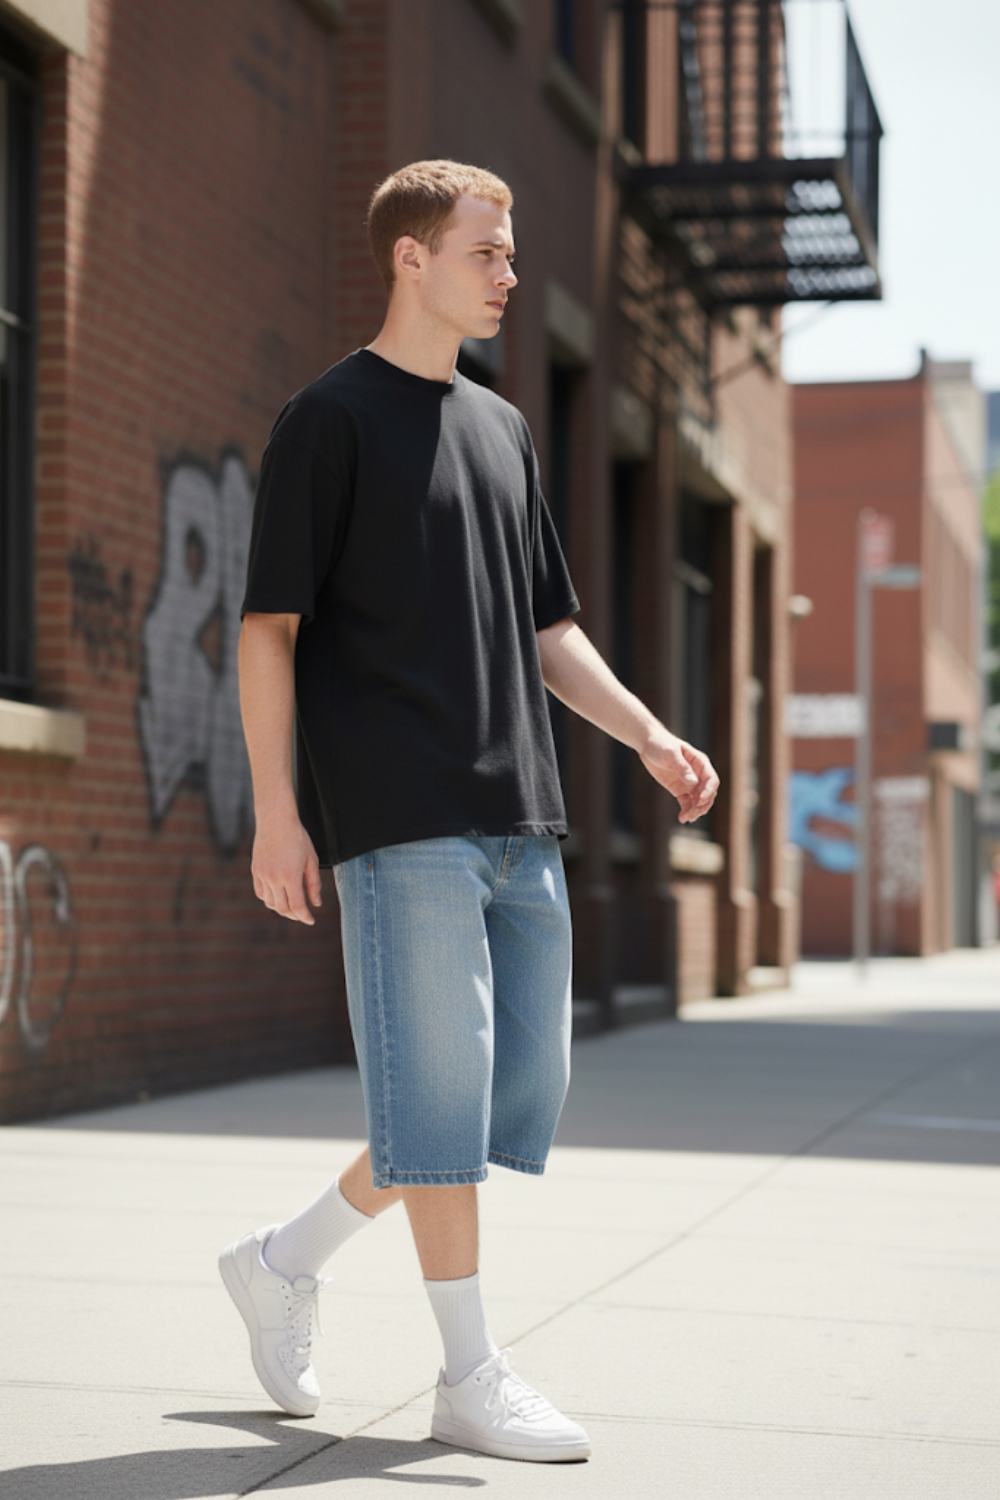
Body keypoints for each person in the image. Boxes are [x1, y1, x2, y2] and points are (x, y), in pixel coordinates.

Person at [219, 159, 719, 1465]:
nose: (508, 273)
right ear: (412, 258)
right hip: (397, 814)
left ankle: (282, 1262)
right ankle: (468, 1373)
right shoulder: (325, 421)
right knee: (439, 1108)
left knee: (500, 1097)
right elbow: (269, 630)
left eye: (507, 251)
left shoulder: (502, 430)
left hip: (520, 810)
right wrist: (278, 813)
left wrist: (647, 733)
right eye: (486, 252)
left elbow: (549, 628)